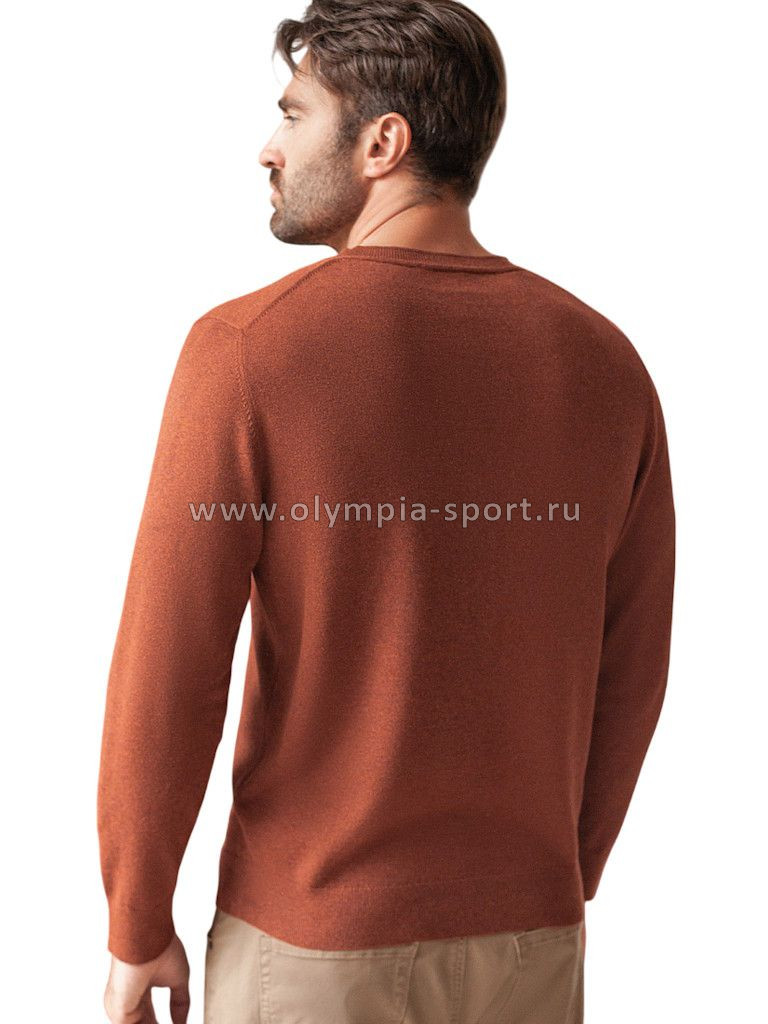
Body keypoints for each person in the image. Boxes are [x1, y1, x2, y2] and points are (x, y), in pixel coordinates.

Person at [97, 1, 675, 1022]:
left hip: (316, 943)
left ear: (382, 144)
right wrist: (558, 875)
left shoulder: (250, 350)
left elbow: (170, 665)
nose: (267, 147)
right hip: (532, 942)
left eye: (293, 114)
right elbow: (633, 662)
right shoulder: (604, 363)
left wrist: (137, 922)